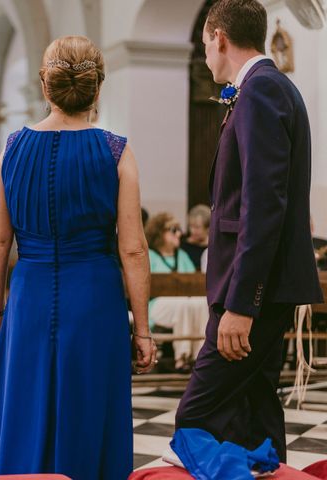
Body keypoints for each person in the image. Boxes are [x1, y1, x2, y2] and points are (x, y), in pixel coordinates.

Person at [0, 36, 154, 479]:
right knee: (90, 404)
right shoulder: (116, 151)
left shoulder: (11, 149)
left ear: (45, 86)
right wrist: (144, 329)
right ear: (98, 88)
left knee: (25, 402)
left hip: (30, 295)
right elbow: (132, 248)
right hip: (95, 297)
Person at [175, 0, 323, 463]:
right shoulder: (269, 88)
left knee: (193, 416)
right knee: (255, 410)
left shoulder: (260, 91)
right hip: (263, 287)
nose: (205, 57)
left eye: (204, 45)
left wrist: (243, 304)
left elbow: (263, 206)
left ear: (219, 36)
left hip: (254, 292)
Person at [145, 213, 207, 371]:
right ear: (160, 233)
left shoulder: (183, 256)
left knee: (200, 303)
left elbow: (194, 285)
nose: (179, 233)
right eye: (173, 229)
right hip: (157, 306)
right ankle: (183, 357)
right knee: (182, 304)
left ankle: (201, 356)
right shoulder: (150, 256)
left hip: (184, 304)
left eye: (179, 229)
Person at [181, 204, 211, 271]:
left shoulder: (212, 248)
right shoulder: (183, 247)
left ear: (208, 228)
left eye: (197, 227)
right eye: (190, 226)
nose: (192, 231)